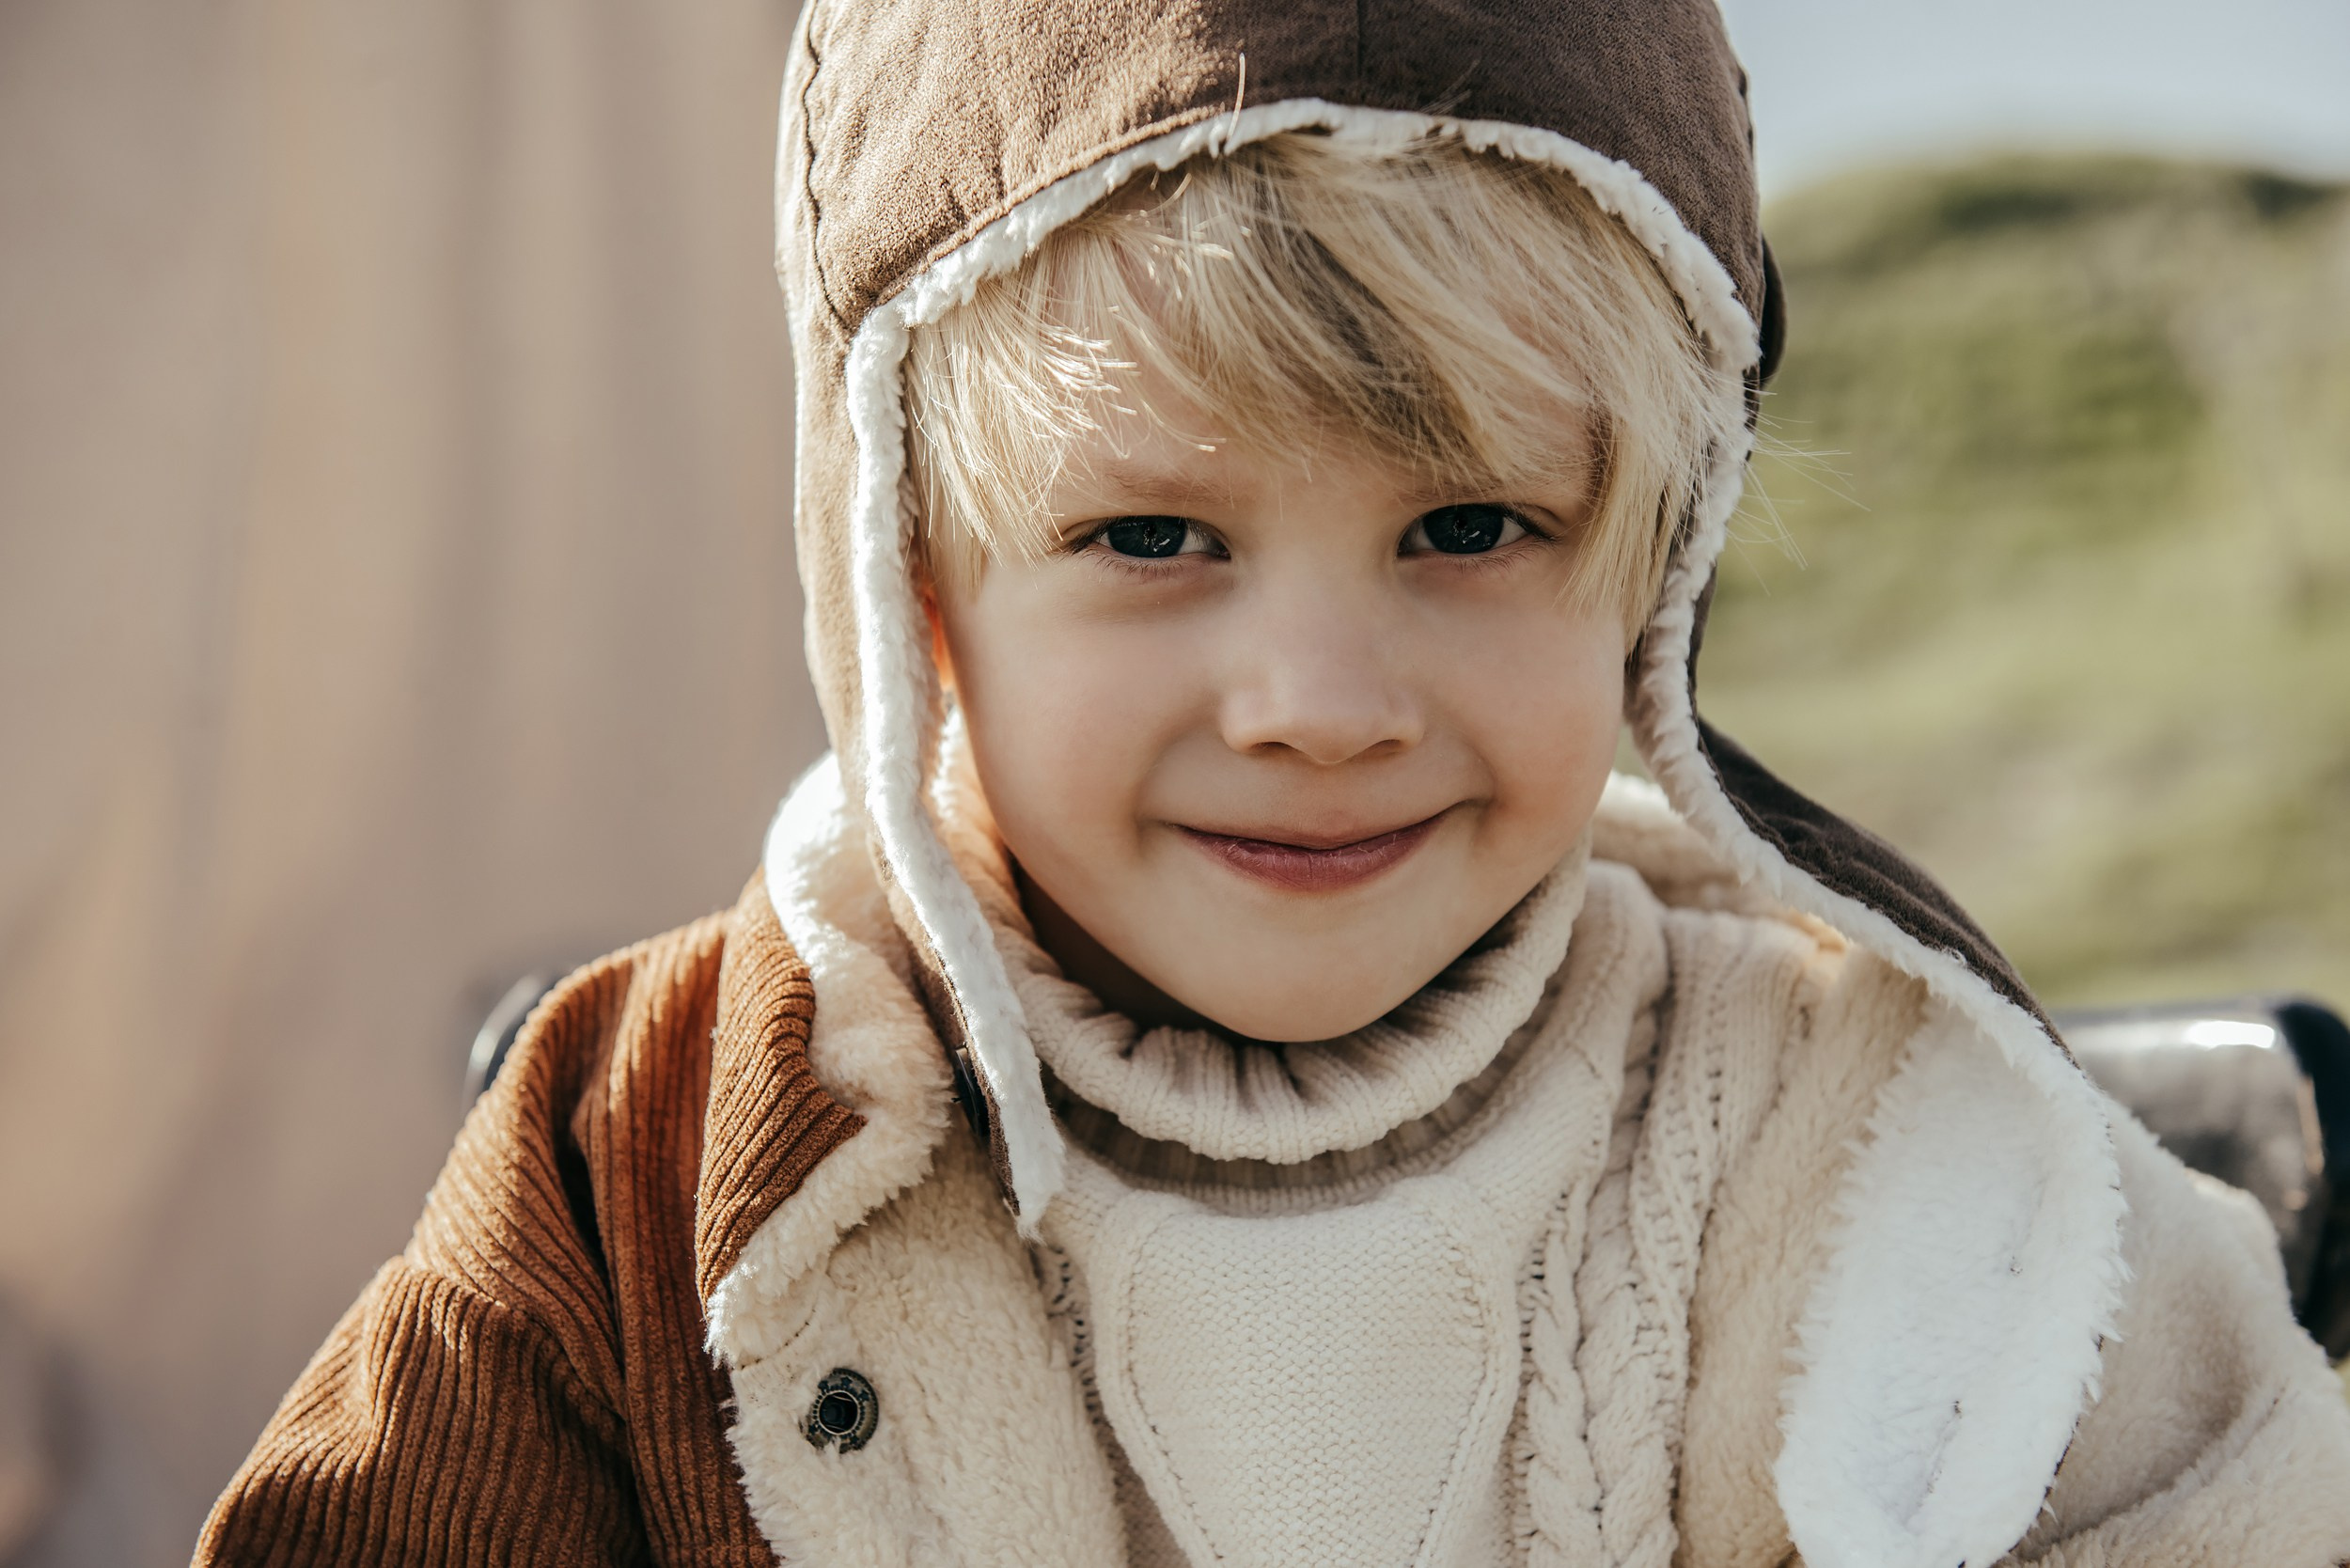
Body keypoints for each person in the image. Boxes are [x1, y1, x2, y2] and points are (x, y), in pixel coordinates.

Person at [196, 2, 2350, 1563]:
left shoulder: (1882, 1150)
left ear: (1649, 577)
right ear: (917, 582)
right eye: (1149, 540)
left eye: (1469, 529)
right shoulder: (647, 1157)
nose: (1318, 700)